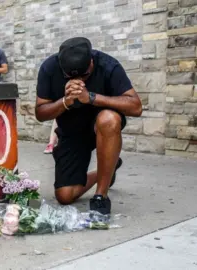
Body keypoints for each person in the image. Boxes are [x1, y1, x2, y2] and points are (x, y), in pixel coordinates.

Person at [35, 37, 142, 215]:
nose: (79, 81)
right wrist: (65, 101)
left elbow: (136, 106)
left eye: (84, 76)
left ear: (92, 61)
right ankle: (108, 168)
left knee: (108, 119)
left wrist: (91, 97)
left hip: (102, 127)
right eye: (71, 77)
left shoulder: (108, 65)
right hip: (71, 132)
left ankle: (101, 195)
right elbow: (40, 113)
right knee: (65, 196)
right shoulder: (49, 68)